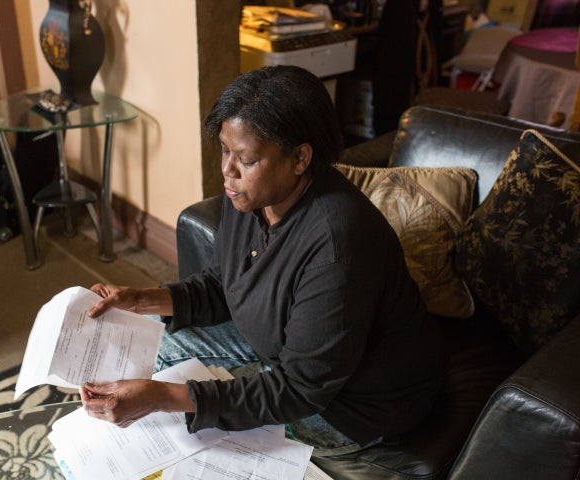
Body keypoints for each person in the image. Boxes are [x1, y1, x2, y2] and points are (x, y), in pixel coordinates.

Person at [80, 65, 446, 471]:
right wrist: (141, 299)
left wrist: (162, 397)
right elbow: (227, 282)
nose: (228, 171)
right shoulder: (251, 197)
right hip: (285, 348)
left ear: (300, 158)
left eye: (247, 159)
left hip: (353, 404)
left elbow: (299, 390)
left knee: (191, 429)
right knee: (162, 350)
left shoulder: (338, 246)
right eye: (225, 150)